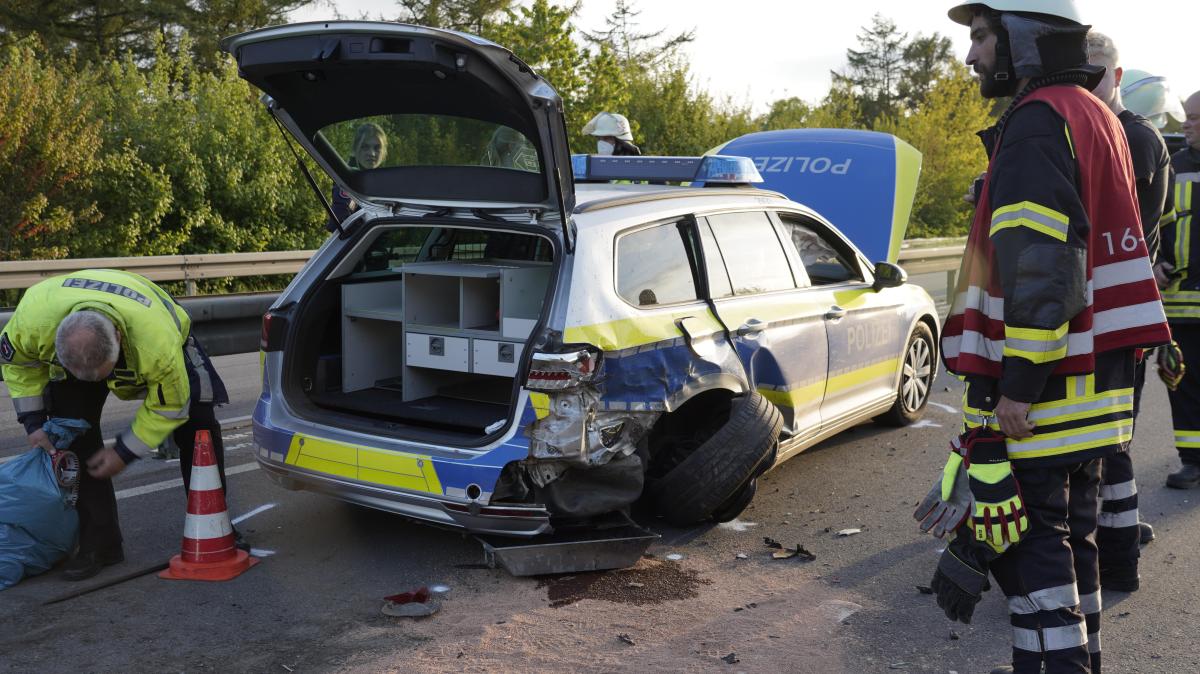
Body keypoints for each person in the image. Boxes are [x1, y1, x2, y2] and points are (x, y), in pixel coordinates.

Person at [933, 2, 1170, 672]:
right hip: (1097, 386)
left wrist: (1017, 387)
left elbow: (1042, 269)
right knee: (1075, 543)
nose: (973, 55)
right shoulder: (1095, 114)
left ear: (1023, 37)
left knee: (1031, 550)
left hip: (1046, 395)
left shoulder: (1038, 122)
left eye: (981, 36)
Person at [0, 270, 233, 581]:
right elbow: (17, 365)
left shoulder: (156, 344)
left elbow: (169, 407)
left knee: (198, 422)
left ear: (119, 341)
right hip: (77, 330)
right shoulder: (32, 324)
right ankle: (101, 544)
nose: (97, 384)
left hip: (151, 325)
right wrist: (33, 422)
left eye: (102, 373)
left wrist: (123, 452)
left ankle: (217, 525)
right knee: (72, 432)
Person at [1084, 31, 1173, 589]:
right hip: (1098, 318)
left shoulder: (1133, 139)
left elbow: (1114, 229)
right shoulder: (1095, 131)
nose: (1083, 81)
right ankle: (1106, 536)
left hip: (1116, 320)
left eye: (1093, 71)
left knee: (1109, 442)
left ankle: (1110, 550)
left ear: (1116, 78)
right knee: (1102, 443)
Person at [1161, 91, 1200, 489]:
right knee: (1183, 382)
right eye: (1186, 116)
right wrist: (1155, 262)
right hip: (1181, 300)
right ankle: (1192, 460)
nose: (1186, 124)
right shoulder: (1175, 167)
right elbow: (1154, 224)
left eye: (1194, 118)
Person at [330, 122, 388, 226]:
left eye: (377, 147)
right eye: (365, 147)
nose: (372, 153)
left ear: (384, 152)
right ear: (355, 149)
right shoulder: (349, 179)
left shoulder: (385, 181)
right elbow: (341, 217)